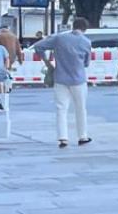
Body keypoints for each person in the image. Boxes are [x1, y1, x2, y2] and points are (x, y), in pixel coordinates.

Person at [32, 18, 94, 148]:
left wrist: (47, 62)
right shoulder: (86, 42)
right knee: (80, 108)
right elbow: (86, 63)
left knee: (61, 108)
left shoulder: (59, 38)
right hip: (79, 79)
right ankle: (82, 136)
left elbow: (38, 46)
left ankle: (63, 138)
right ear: (84, 29)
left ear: (73, 26)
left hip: (60, 77)